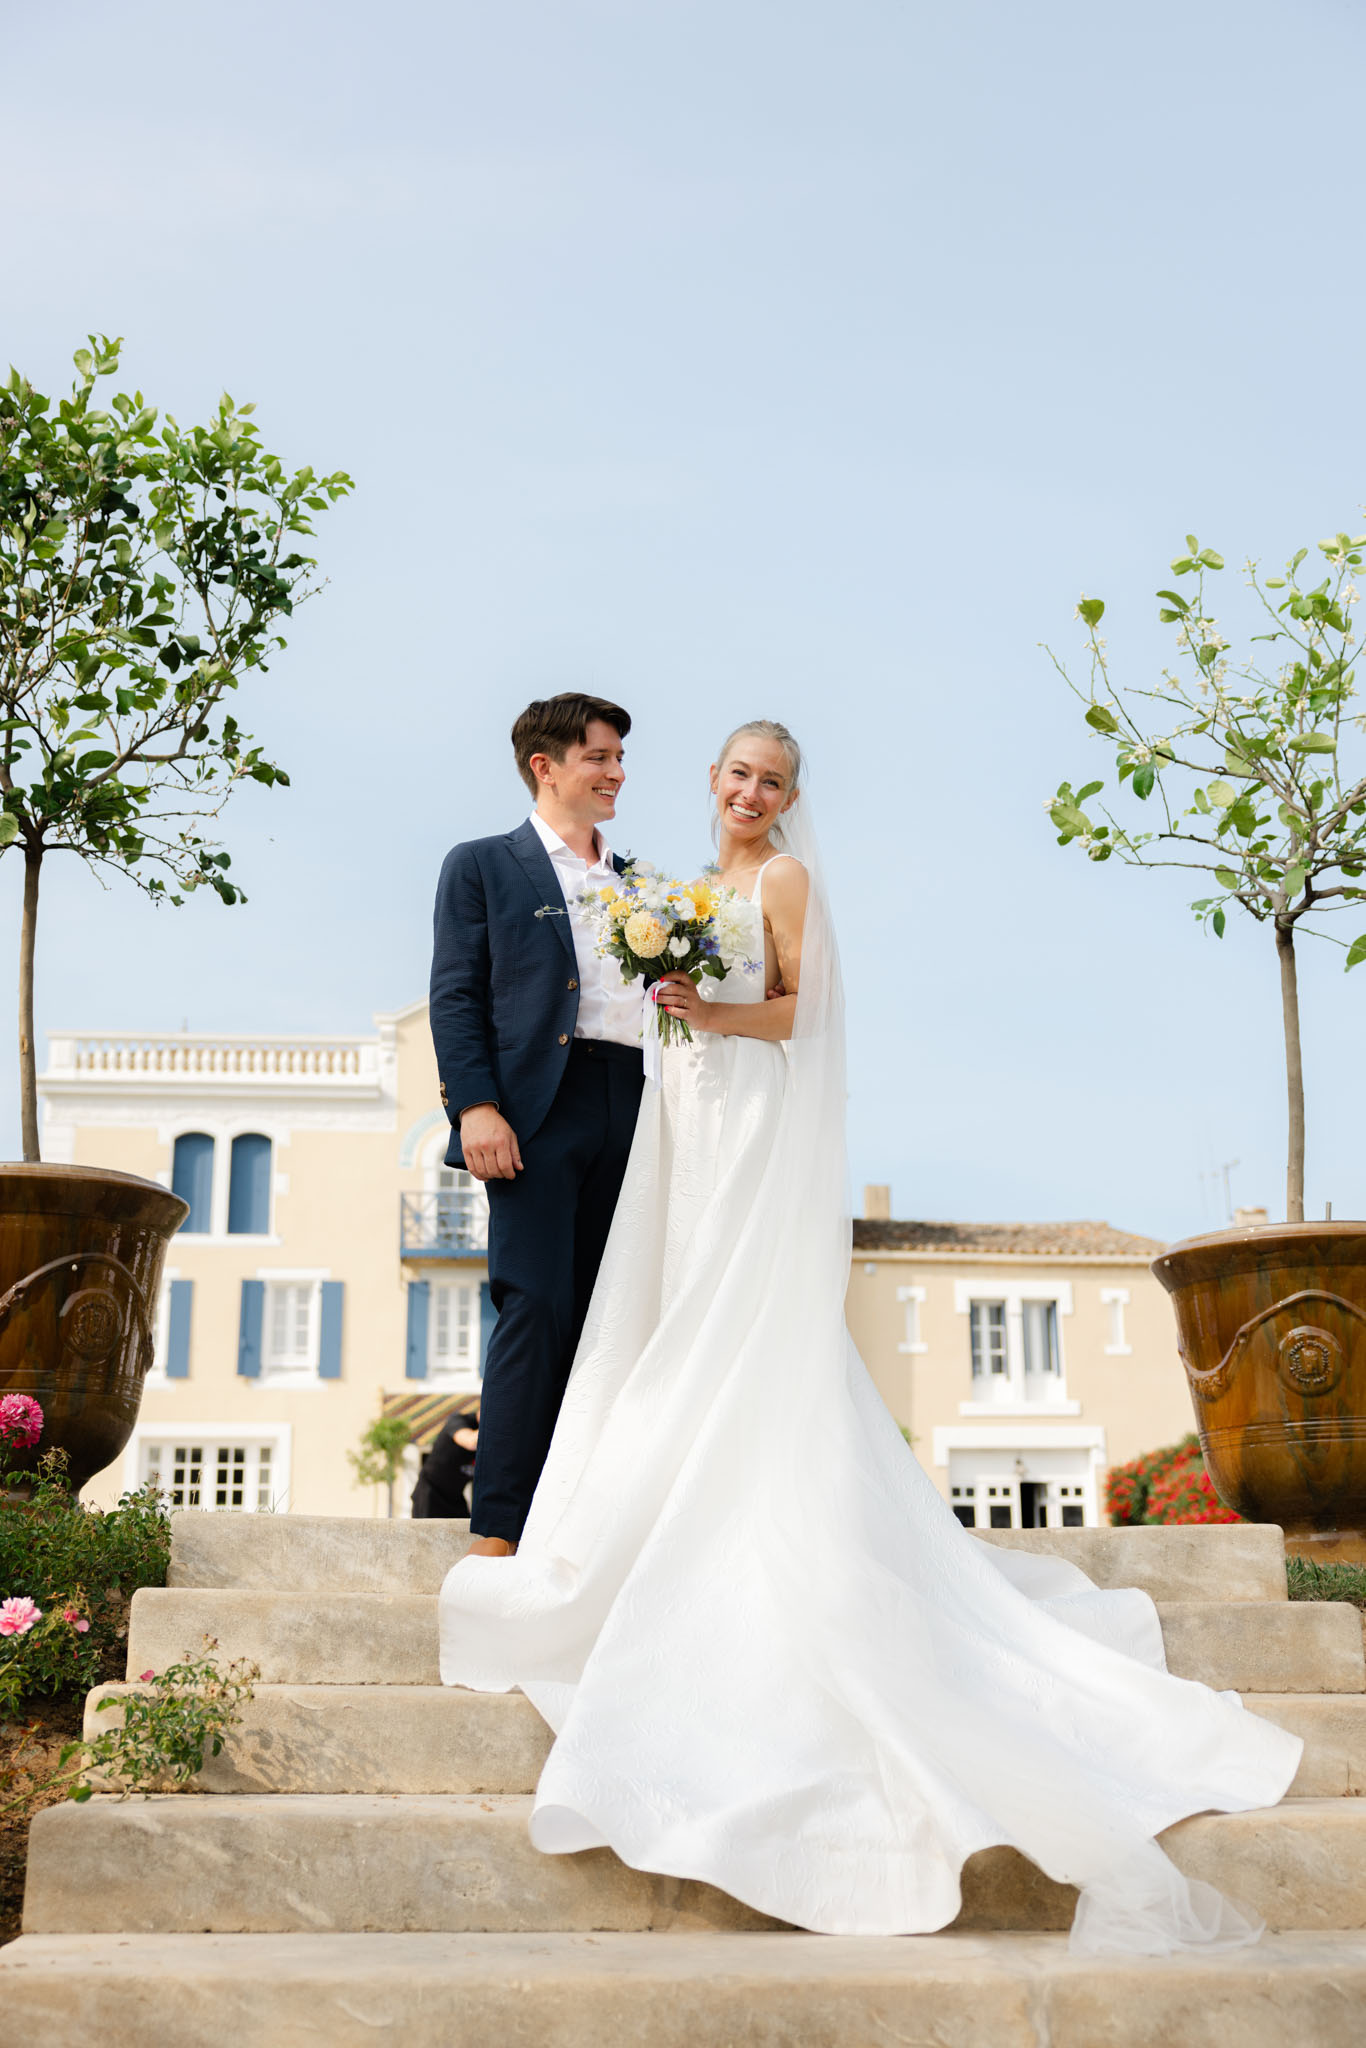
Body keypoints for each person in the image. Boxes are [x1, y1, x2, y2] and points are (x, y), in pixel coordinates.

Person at [438, 718, 1302, 1953]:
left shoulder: (783, 877)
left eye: (772, 780)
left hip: (739, 1110)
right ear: (712, 780)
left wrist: (703, 1009)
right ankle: (601, 1511)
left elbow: (800, 1013)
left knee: (725, 1317)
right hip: (681, 1121)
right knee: (656, 1315)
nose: (750, 792)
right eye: (737, 773)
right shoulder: (676, 882)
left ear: (791, 795)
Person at [429, 693, 644, 1557]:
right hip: (536, 1111)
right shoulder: (483, 865)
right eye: (600, 756)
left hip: (640, 1106)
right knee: (536, 1304)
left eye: (620, 757)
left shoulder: (644, 882)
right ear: (544, 766)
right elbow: (456, 993)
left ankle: (593, 1522)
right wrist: (475, 1105)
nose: (617, 771)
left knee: (615, 1315)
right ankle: (501, 1530)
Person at [410, 1403, 480, 1519]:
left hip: (455, 1497)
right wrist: (496, 1425)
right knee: (427, 1530)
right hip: (430, 1493)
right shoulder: (458, 1421)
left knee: (467, 1529)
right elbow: (471, 1442)